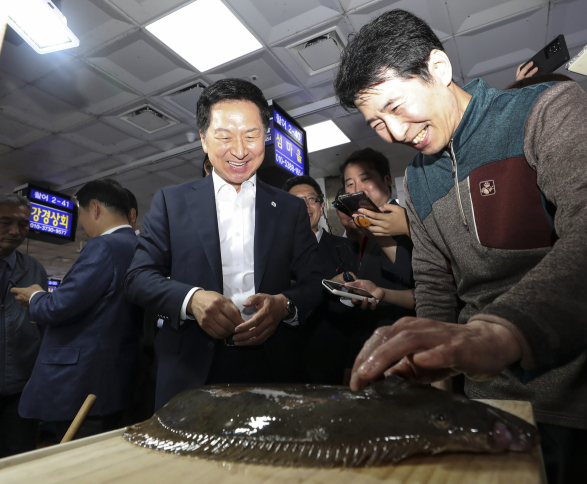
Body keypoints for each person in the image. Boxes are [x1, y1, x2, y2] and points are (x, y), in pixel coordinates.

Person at [334, 9, 587, 484]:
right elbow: (436, 295)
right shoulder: (415, 182)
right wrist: (432, 399)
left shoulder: (544, 108)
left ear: (438, 69)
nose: (394, 134)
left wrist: (498, 332)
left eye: (395, 108)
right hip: (489, 407)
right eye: (376, 124)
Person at [124, 79, 323, 409]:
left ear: (266, 136)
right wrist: (192, 300)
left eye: (251, 135)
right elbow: (137, 278)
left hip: (271, 367)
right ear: (203, 139)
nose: (241, 150)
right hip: (190, 369)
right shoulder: (171, 202)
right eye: (224, 136)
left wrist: (284, 306)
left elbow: (315, 282)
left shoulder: (289, 209)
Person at [11, 179, 139, 440]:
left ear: (94, 209)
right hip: (116, 378)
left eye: (80, 213)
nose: (81, 224)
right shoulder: (141, 247)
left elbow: (59, 306)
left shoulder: (103, 246)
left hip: (82, 385)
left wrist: (35, 296)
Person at [282, 176, 359, 384]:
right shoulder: (272, 256)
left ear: (322, 206)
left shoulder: (348, 248)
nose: (305, 205)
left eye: (311, 199)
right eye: (296, 200)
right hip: (283, 367)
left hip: (333, 364)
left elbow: (359, 316)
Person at [339, 148, 415, 329]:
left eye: (365, 179)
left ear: (387, 179)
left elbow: (420, 285)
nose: (357, 190)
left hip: (403, 331)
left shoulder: (411, 222)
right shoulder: (365, 229)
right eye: (350, 184)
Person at [0, 194, 47, 457]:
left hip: (22, 389)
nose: (16, 231)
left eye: (23, 224)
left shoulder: (34, 269)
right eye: (5, 222)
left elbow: (42, 324)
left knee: (20, 460)